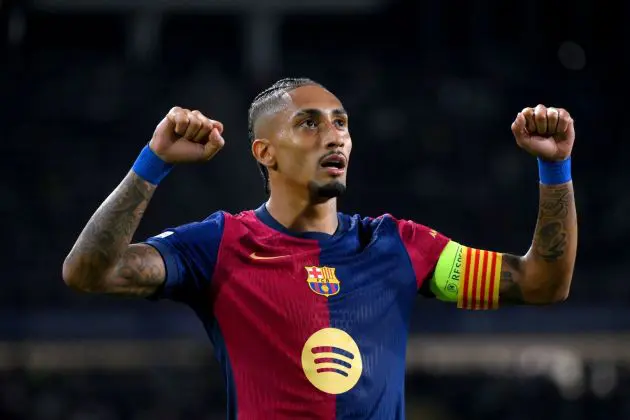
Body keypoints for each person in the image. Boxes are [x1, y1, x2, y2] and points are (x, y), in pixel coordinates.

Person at [62, 78, 578, 419]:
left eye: (341, 122)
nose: (334, 136)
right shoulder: (219, 244)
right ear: (265, 153)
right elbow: (89, 272)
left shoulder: (399, 246)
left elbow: (541, 283)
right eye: (309, 123)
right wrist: (153, 162)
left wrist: (555, 169)